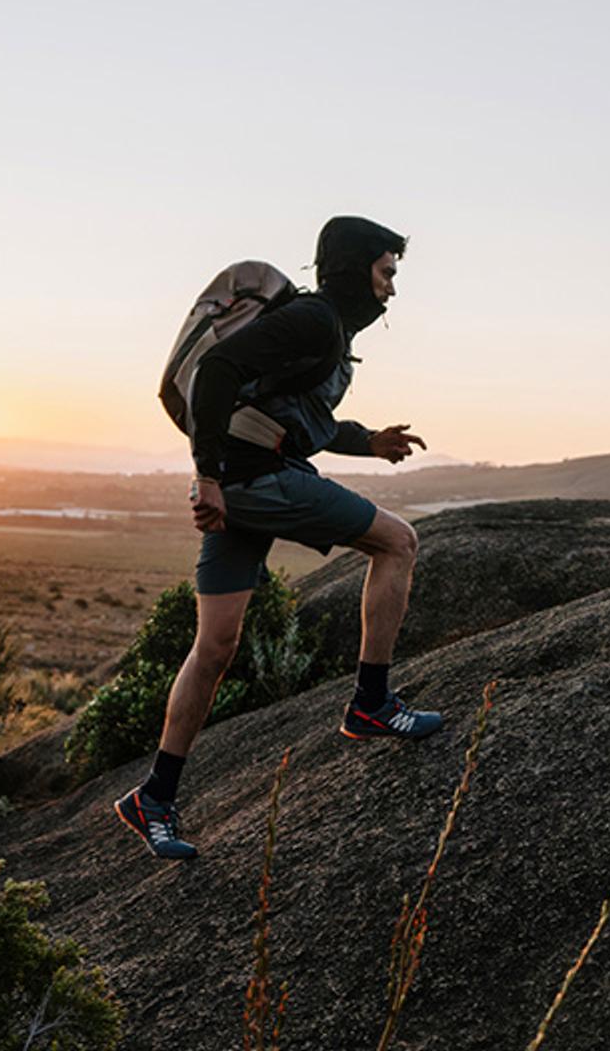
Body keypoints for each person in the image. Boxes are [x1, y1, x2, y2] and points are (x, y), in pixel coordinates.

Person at [116, 215, 444, 860]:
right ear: (356, 272)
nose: (391, 291)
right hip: (255, 480)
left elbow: (291, 415)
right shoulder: (315, 320)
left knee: (214, 647)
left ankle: (153, 795)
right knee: (398, 542)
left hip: (249, 477)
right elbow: (216, 370)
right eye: (386, 273)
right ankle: (371, 702)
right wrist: (206, 475)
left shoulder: (325, 330)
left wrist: (365, 441)